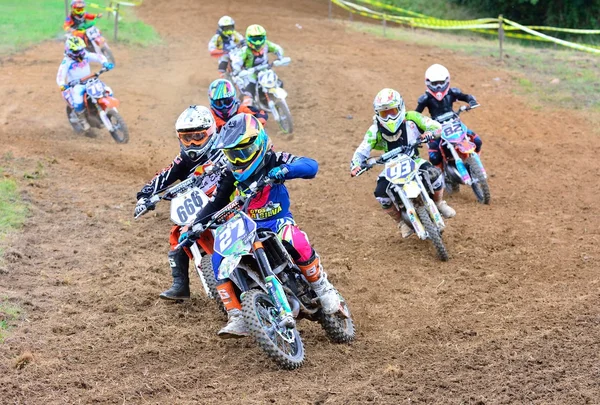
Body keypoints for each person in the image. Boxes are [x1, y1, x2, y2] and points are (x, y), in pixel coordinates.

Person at [191, 113, 340, 338]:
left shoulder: (273, 159)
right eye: (232, 154)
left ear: (257, 143)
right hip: (247, 226)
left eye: (242, 152)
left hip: (277, 220)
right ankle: (237, 314)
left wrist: (285, 171)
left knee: (293, 238)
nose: (239, 160)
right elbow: (216, 202)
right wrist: (194, 225)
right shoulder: (230, 173)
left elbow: (311, 166)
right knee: (217, 256)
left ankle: (321, 286)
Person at [134, 106, 226, 300]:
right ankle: (180, 285)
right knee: (179, 233)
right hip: (200, 204)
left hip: (229, 198)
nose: (192, 143)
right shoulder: (183, 159)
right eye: (186, 138)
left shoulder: (225, 148)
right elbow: (164, 176)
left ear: (210, 132)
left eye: (198, 137)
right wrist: (145, 195)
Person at [350, 88, 455, 238]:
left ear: (400, 107)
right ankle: (401, 222)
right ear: (377, 114)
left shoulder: (412, 118)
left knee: (436, 175)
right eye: (384, 113)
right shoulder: (374, 130)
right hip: (390, 168)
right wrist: (356, 164)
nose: (389, 117)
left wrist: (431, 133)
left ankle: (438, 203)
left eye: (392, 111)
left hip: (414, 160)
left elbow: (435, 126)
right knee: (381, 195)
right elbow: (362, 149)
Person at [415, 64, 482, 168]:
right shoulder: (425, 99)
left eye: (441, 83)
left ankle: (475, 162)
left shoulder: (452, 92)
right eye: (435, 83)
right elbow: (416, 114)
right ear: (428, 83)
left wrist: (471, 101)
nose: (438, 86)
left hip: (454, 123)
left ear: (446, 81)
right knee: (434, 156)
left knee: (477, 140)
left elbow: (465, 96)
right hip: (436, 128)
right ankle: (440, 176)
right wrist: (418, 125)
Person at [56, 36, 112, 131]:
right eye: (76, 51)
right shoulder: (66, 62)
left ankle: (106, 110)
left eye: (81, 49)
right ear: (69, 50)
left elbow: (98, 56)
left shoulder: (85, 54)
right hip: (76, 85)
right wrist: (62, 84)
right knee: (78, 101)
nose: (79, 52)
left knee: (107, 90)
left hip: (90, 80)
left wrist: (105, 62)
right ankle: (83, 121)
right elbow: (60, 76)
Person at [231, 24, 284, 106]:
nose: (258, 42)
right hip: (251, 74)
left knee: (279, 83)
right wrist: (237, 71)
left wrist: (280, 57)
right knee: (248, 96)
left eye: (260, 38)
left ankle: (271, 99)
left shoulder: (266, 45)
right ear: (248, 38)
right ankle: (246, 113)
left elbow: (277, 48)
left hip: (265, 71)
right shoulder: (245, 50)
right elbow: (237, 61)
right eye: (255, 39)